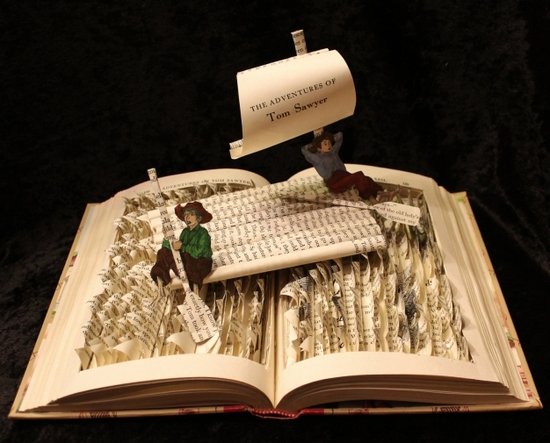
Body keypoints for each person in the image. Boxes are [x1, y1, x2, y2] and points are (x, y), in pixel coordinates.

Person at [301, 130, 382, 199]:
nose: (328, 145)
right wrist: (314, 143)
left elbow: (340, 136)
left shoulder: (333, 152)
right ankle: (370, 198)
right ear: (319, 147)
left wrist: (327, 137)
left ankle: (381, 193)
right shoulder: (318, 159)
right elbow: (304, 150)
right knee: (359, 175)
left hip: (344, 176)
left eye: (329, 143)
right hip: (334, 183)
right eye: (325, 144)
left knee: (366, 178)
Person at [150, 201, 213, 288]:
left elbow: (199, 252)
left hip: (200, 265)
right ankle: (161, 278)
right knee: (163, 252)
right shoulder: (185, 232)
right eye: (185, 215)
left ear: (198, 218)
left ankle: (192, 286)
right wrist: (167, 238)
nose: (187, 217)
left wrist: (182, 246)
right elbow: (177, 248)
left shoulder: (203, 233)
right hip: (187, 264)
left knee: (186, 257)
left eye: (191, 214)